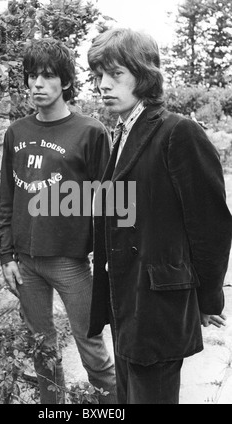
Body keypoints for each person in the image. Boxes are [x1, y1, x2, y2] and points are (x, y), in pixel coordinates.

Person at [87, 27, 232, 404]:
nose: (103, 84)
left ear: (144, 74)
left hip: (157, 303)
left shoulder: (177, 132)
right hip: (126, 296)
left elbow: (211, 224)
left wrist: (207, 297)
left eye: (116, 74)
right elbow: (118, 211)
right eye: (99, 75)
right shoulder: (120, 132)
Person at [0, 38, 116, 404]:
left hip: (71, 262)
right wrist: (6, 256)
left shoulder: (90, 132)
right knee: (42, 353)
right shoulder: (16, 132)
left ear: (65, 81)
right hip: (26, 264)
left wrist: (109, 256)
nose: (37, 84)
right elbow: (7, 198)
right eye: (31, 76)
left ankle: (113, 405)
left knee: (92, 349)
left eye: (47, 76)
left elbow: (110, 201)